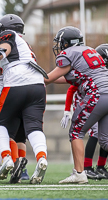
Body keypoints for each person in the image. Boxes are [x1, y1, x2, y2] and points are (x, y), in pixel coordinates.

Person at [0, 14, 48, 184]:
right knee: (34, 128)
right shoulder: (25, 45)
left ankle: (6, 157)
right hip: (38, 86)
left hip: (17, 83)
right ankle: (42, 158)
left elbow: (2, 52)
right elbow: (0, 68)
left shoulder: (8, 35)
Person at [44, 26, 108, 184]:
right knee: (105, 141)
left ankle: (80, 173)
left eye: (61, 43)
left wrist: (33, 75)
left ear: (66, 43)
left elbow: (48, 78)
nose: (59, 47)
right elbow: (65, 77)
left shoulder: (69, 53)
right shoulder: (89, 51)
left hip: (97, 94)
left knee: (76, 132)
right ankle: (80, 172)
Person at [61, 84, 106, 180]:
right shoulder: (89, 76)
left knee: (104, 134)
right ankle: (87, 167)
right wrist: (66, 111)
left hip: (98, 104)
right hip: (86, 105)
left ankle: (100, 167)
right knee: (95, 133)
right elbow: (71, 88)